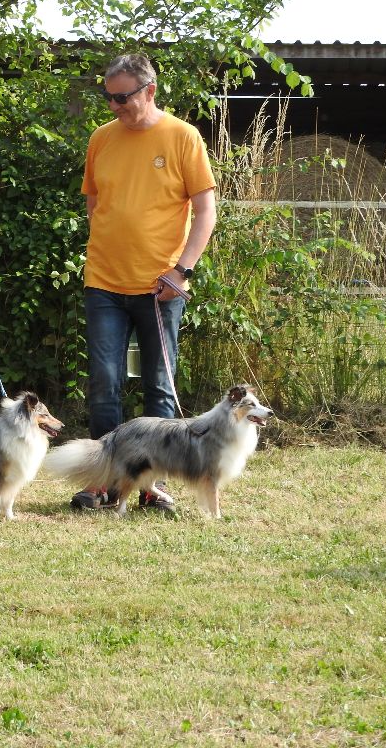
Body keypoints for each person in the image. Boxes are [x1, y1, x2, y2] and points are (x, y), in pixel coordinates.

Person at [70, 53, 217, 513]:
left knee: (158, 387)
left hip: (161, 287)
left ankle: (151, 487)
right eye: (109, 97)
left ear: (149, 90)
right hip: (104, 283)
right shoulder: (101, 139)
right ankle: (104, 484)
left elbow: (205, 210)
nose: (113, 105)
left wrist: (182, 271)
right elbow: (95, 204)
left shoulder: (182, 136)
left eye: (122, 97)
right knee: (104, 382)